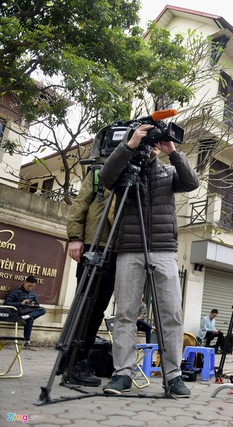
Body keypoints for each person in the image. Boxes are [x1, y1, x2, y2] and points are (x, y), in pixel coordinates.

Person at [98, 123, 199, 397]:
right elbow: (105, 177)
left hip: (164, 249)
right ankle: (122, 374)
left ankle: (173, 376)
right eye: (149, 139)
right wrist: (130, 145)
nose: (153, 144)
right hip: (129, 248)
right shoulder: (125, 171)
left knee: (171, 315)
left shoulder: (168, 172)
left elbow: (192, 182)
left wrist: (172, 151)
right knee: (125, 314)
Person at [62, 166, 117, 386]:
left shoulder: (135, 173)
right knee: (84, 305)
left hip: (116, 249)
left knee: (98, 309)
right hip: (93, 245)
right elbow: (80, 204)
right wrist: (75, 237)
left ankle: (75, 359)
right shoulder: (98, 172)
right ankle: (74, 361)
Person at [4, 275, 46, 349]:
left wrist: (33, 305)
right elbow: (6, 303)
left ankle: (26, 318)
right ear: (25, 282)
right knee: (30, 318)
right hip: (18, 312)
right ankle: (27, 341)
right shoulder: (16, 292)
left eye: (32, 286)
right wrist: (21, 303)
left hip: (28, 312)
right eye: (29, 285)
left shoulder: (33, 294)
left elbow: (37, 306)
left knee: (42, 310)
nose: (30, 288)